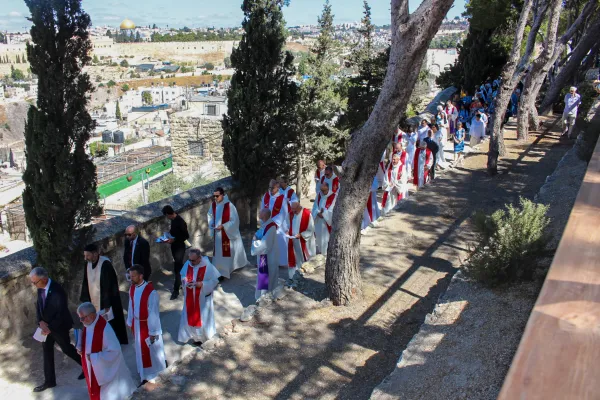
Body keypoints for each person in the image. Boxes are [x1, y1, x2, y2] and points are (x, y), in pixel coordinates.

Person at [30, 267, 83, 393]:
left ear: (43, 279)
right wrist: (40, 322)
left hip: (58, 327)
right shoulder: (40, 287)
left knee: (67, 349)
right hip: (45, 328)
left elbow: (61, 313)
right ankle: (49, 381)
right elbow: (39, 306)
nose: (34, 285)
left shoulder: (57, 290)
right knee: (47, 352)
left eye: (35, 282)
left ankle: (87, 367)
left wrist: (49, 327)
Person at [77, 302, 136, 400]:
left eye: (82, 318)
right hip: (92, 366)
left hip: (105, 371)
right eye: (80, 318)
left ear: (91, 316)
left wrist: (94, 358)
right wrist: (81, 349)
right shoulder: (89, 324)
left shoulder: (104, 328)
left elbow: (115, 352)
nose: (81, 320)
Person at [80, 244, 128, 345]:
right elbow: (85, 282)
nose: (85, 258)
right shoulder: (87, 264)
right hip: (93, 300)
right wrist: (85, 299)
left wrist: (107, 305)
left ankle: (114, 342)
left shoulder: (105, 264)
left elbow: (110, 286)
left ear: (95, 254)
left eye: (87, 255)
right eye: (85, 255)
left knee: (110, 323)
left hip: (106, 301)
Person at [126, 265, 166, 384]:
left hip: (147, 325)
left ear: (141, 276)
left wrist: (153, 332)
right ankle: (144, 374)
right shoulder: (132, 288)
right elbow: (130, 306)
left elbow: (153, 313)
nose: (131, 278)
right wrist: (130, 321)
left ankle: (155, 373)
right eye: (130, 276)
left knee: (152, 350)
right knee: (140, 350)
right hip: (137, 324)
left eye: (133, 276)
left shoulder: (151, 292)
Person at [178, 248, 220, 345]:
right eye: (190, 260)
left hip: (202, 299)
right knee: (189, 318)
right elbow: (183, 275)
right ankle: (195, 338)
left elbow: (214, 281)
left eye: (193, 260)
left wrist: (202, 284)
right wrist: (185, 282)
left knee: (203, 318)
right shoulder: (188, 264)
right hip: (190, 297)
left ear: (199, 258)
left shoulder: (208, 266)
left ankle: (205, 338)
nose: (191, 262)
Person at [207, 187, 248, 279]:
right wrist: (212, 222)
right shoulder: (213, 205)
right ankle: (218, 271)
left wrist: (223, 226)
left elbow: (235, 221)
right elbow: (210, 215)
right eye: (214, 196)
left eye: (217, 196)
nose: (215, 198)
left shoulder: (229, 206)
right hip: (218, 234)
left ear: (222, 195)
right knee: (218, 254)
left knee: (228, 253)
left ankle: (224, 271)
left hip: (227, 234)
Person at [161, 205, 190, 300]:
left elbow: (186, 236)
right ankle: (184, 281)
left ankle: (176, 290)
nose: (167, 217)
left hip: (179, 247)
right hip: (174, 246)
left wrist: (174, 239)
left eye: (166, 215)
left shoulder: (180, 222)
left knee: (177, 268)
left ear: (169, 214)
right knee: (179, 267)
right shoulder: (173, 220)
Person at [251, 209, 280, 300]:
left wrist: (254, 242)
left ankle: (265, 298)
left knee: (267, 278)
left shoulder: (271, 228)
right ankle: (261, 296)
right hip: (264, 257)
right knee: (263, 278)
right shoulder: (266, 224)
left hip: (268, 258)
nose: (259, 215)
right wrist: (256, 236)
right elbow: (258, 233)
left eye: (260, 214)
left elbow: (264, 245)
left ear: (265, 216)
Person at [261, 179, 289, 267]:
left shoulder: (282, 198)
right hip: (266, 224)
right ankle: (267, 261)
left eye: (272, 188)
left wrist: (274, 223)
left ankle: (280, 262)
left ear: (277, 187)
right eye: (269, 187)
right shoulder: (266, 196)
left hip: (278, 226)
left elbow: (283, 213)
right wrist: (263, 220)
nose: (270, 189)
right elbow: (262, 208)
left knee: (279, 242)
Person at [287, 202, 316, 279]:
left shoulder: (307, 214)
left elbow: (311, 229)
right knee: (295, 257)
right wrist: (287, 230)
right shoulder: (291, 213)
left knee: (304, 258)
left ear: (299, 207)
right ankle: (294, 276)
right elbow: (287, 224)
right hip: (293, 240)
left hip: (304, 241)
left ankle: (305, 276)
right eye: (292, 209)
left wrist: (301, 234)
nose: (293, 211)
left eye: (294, 209)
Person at [312, 183, 337, 255]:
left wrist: (324, 213)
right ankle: (320, 251)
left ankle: (326, 253)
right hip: (318, 218)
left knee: (326, 237)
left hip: (326, 221)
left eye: (322, 185)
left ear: (327, 187)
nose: (320, 187)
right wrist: (317, 212)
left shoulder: (333, 196)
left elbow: (332, 209)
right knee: (319, 236)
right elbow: (315, 205)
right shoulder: (319, 194)